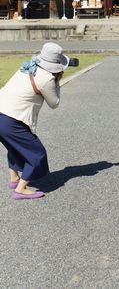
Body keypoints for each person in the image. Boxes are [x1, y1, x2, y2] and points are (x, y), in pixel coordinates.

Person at [0, 42, 69, 199]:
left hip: (1, 110)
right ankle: (20, 189)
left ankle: (14, 178)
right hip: (11, 119)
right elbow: (54, 103)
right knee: (37, 153)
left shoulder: (26, 66)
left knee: (14, 146)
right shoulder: (47, 79)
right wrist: (57, 82)